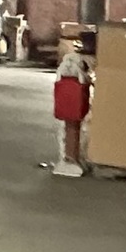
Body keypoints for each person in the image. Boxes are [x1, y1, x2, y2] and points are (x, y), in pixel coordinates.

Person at [49, 44, 91, 176]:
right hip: (74, 111)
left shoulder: (61, 75)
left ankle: (68, 157)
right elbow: (85, 81)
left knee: (67, 131)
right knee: (74, 129)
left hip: (66, 109)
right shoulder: (81, 78)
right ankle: (72, 159)